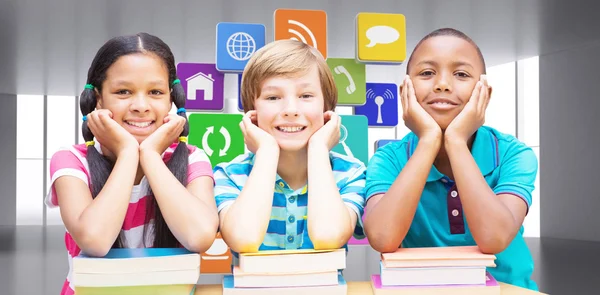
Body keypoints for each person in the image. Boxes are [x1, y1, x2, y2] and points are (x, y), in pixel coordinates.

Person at [363, 28, 539, 290]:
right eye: (426, 73)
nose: (442, 84)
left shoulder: (514, 155)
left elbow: (494, 238)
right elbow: (382, 238)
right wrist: (428, 141)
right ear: (404, 91)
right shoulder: (388, 159)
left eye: (461, 74)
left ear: (485, 94)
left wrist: (456, 141)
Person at [45, 33, 219, 295]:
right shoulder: (71, 159)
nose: (140, 105)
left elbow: (200, 236)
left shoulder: (193, 158)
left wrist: (149, 155)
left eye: (155, 92)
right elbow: (95, 240)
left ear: (171, 100)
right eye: (123, 91)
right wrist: (127, 152)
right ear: (98, 99)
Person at [213, 40, 366, 260]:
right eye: (273, 97)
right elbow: (243, 239)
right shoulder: (230, 174)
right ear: (252, 112)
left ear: (327, 108)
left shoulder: (350, 172)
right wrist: (266, 151)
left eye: (306, 96)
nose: (291, 110)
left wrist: (319, 150)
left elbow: (328, 236)